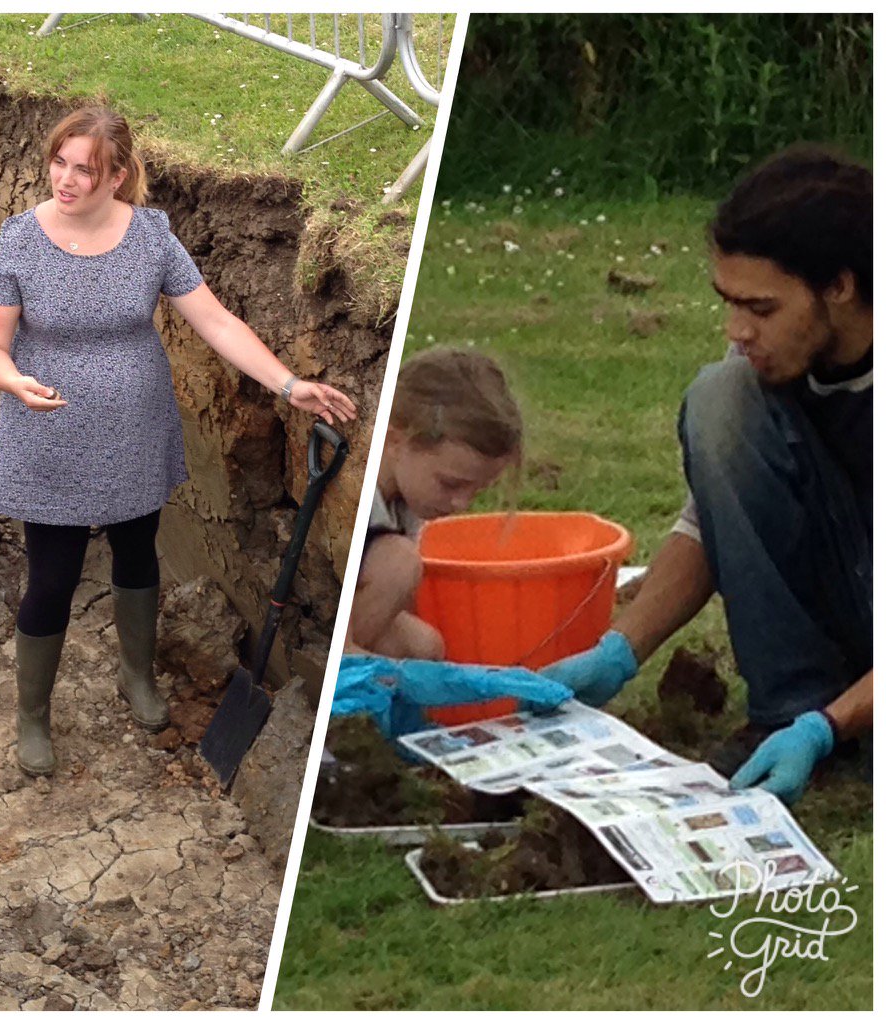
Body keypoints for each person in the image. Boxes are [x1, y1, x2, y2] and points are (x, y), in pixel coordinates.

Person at [0, 107, 356, 777]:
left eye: (83, 169)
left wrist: (287, 382)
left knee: (136, 552)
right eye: (58, 163)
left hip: (135, 428)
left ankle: (137, 676)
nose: (64, 179)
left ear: (118, 176)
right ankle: (32, 718)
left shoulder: (151, 238)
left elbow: (214, 320)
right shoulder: (18, 243)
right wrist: (15, 383)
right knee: (52, 579)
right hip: (49, 433)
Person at [541, 146, 872, 804]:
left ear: (840, 286)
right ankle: (788, 706)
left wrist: (829, 727)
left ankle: (825, 723)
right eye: (728, 303)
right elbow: (712, 522)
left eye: (761, 308)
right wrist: (621, 650)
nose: (737, 328)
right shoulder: (765, 359)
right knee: (723, 397)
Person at [345, 348, 522, 660]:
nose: (462, 503)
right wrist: (378, 670)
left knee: (423, 647)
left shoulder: (411, 493)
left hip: (356, 617)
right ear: (394, 441)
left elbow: (403, 604)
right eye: (451, 484)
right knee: (399, 563)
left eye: (478, 490)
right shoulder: (355, 491)